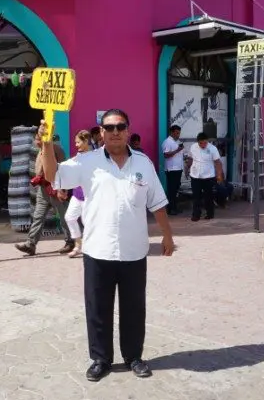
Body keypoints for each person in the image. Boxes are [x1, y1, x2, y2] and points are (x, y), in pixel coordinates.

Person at [42, 109, 175, 382]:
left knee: (134, 307)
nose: (115, 131)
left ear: (127, 130)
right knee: (98, 308)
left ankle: (133, 356)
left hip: (134, 250)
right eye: (109, 127)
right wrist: (45, 144)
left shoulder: (143, 163)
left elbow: (157, 202)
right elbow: (53, 176)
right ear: (100, 132)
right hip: (97, 250)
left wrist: (168, 236)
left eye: (120, 126)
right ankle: (100, 359)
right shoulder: (86, 162)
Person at [14, 135, 74, 256]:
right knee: (38, 216)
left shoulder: (57, 150)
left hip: (56, 189)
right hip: (43, 189)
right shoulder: (40, 150)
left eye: (38, 139)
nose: (36, 141)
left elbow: (62, 170)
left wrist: (61, 189)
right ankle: (31, 244)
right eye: (36, 139)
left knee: (64, 218)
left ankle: (71, 242)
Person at [63, 130, 92, 258]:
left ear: (86, 141)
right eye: (75, 142)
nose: (76, 145)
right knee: (69, 217)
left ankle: (89, 248)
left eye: (78, 142)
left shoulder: (94, 157)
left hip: (89, 196)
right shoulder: (77, 157)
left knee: (88, 222)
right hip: (76, 195)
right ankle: (78, 245)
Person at [186, 132, 224, 222]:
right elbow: (190, 158)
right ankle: (196, 215)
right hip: (195, 176)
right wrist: (187, 167)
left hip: (208, 177)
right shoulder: (193, 147)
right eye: (201, 143)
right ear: (197, 142)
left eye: (205, 143)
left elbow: (218, 162)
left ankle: (210, 214)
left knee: (208, 197)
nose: (203, 145)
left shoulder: (212, 149)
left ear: (207, 141)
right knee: (196, 197)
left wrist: (219, 175)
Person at [161, 125, 184, 215]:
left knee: (175, 189)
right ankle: (171, 209)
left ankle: (174, 207)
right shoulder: (167, 142)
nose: (178, 135)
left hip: (178, 169)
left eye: (179, 133)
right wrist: (177, 150)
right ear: (172, 132)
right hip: (172, 169)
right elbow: (166, 155)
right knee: (172, 190)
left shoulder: (177, 142)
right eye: (177, 133)